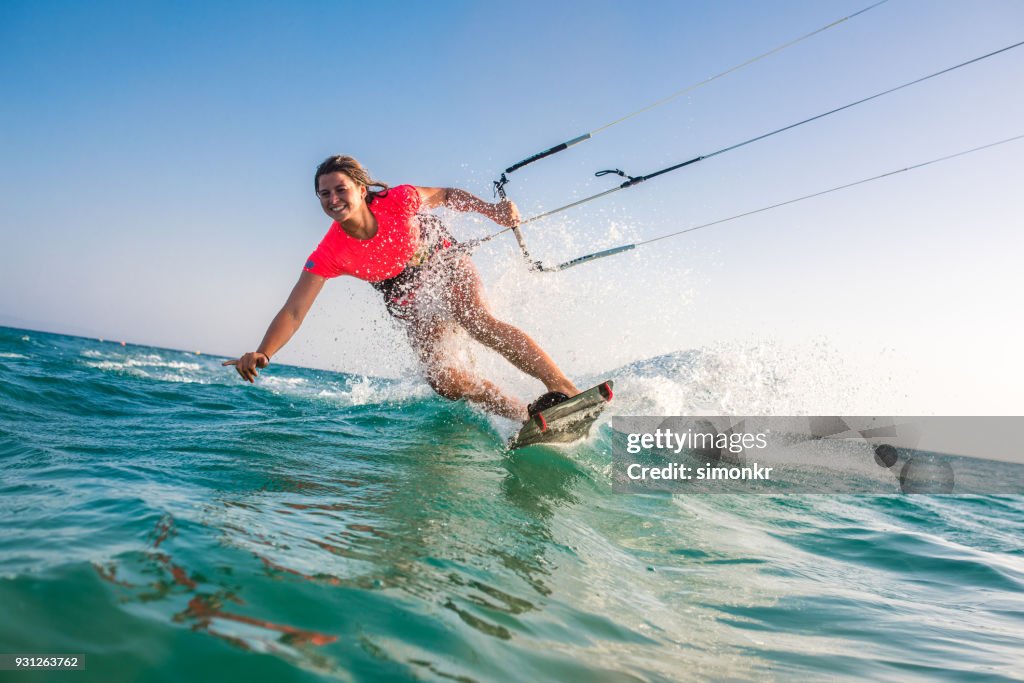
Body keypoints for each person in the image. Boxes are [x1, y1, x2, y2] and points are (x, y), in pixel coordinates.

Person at [224, 155, 579, 421]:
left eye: (340, 190)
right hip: (404, 293)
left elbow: (446, 194)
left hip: (441, 260)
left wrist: (492, 211)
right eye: (323, 194)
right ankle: (525, 416)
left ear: (362, 190)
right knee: (446, 381)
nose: (332, 199)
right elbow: (294, 310)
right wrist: (264, 351)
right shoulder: (329, 252)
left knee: (476, 323)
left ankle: (562, 387)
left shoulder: (399, 200)